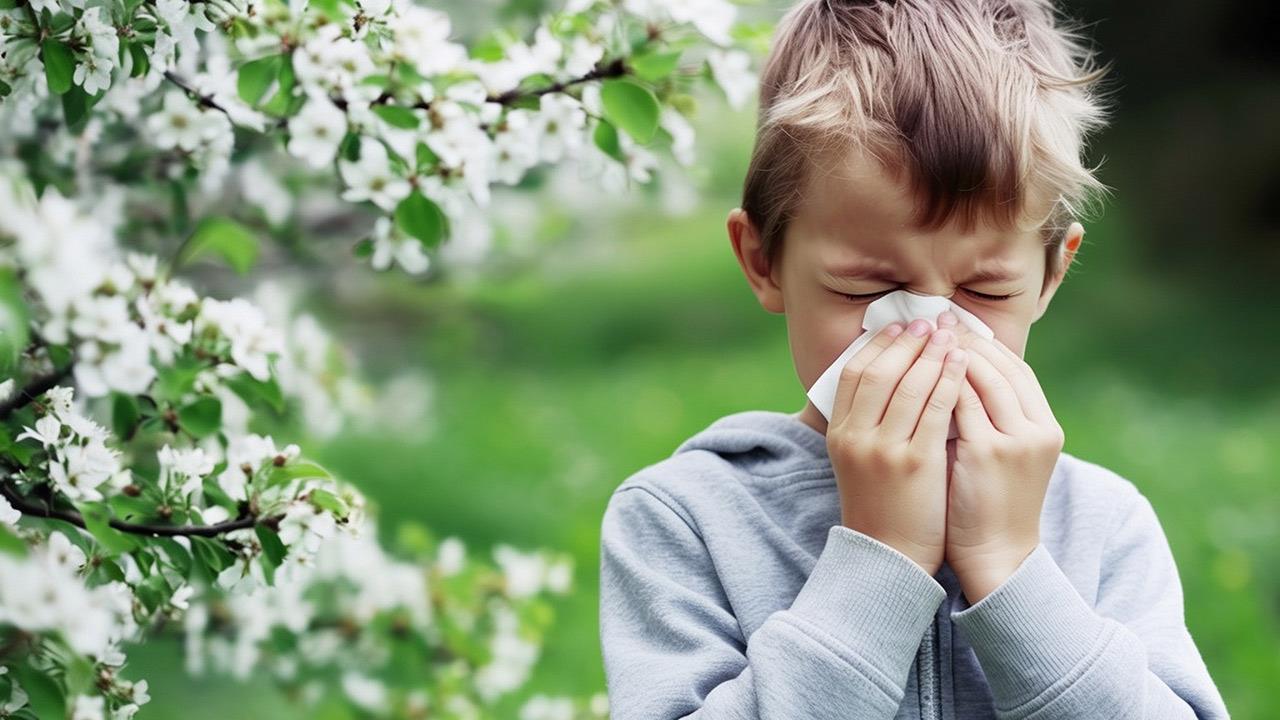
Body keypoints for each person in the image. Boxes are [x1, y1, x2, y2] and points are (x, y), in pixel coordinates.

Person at [597, 1, 1231, 718]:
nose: (932, 330)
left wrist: (1011, 570)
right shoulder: (686, 519)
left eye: (985, 288)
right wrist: (881, 561)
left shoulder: (1103, 523)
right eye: (869, 286)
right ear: (765, 261)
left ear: (1052, 275)